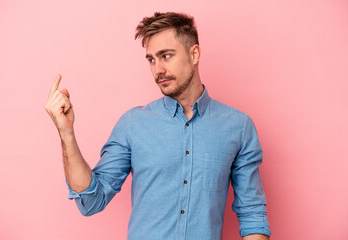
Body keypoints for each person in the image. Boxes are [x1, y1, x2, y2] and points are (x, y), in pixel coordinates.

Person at [45, 12, 271, 240]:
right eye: (151, 59)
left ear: (194, 54)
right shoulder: (133, 124)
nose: (158, 69)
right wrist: (67, 133)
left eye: (166, 56)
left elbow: (252, 214)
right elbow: (91, 201)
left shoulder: (238, 127)